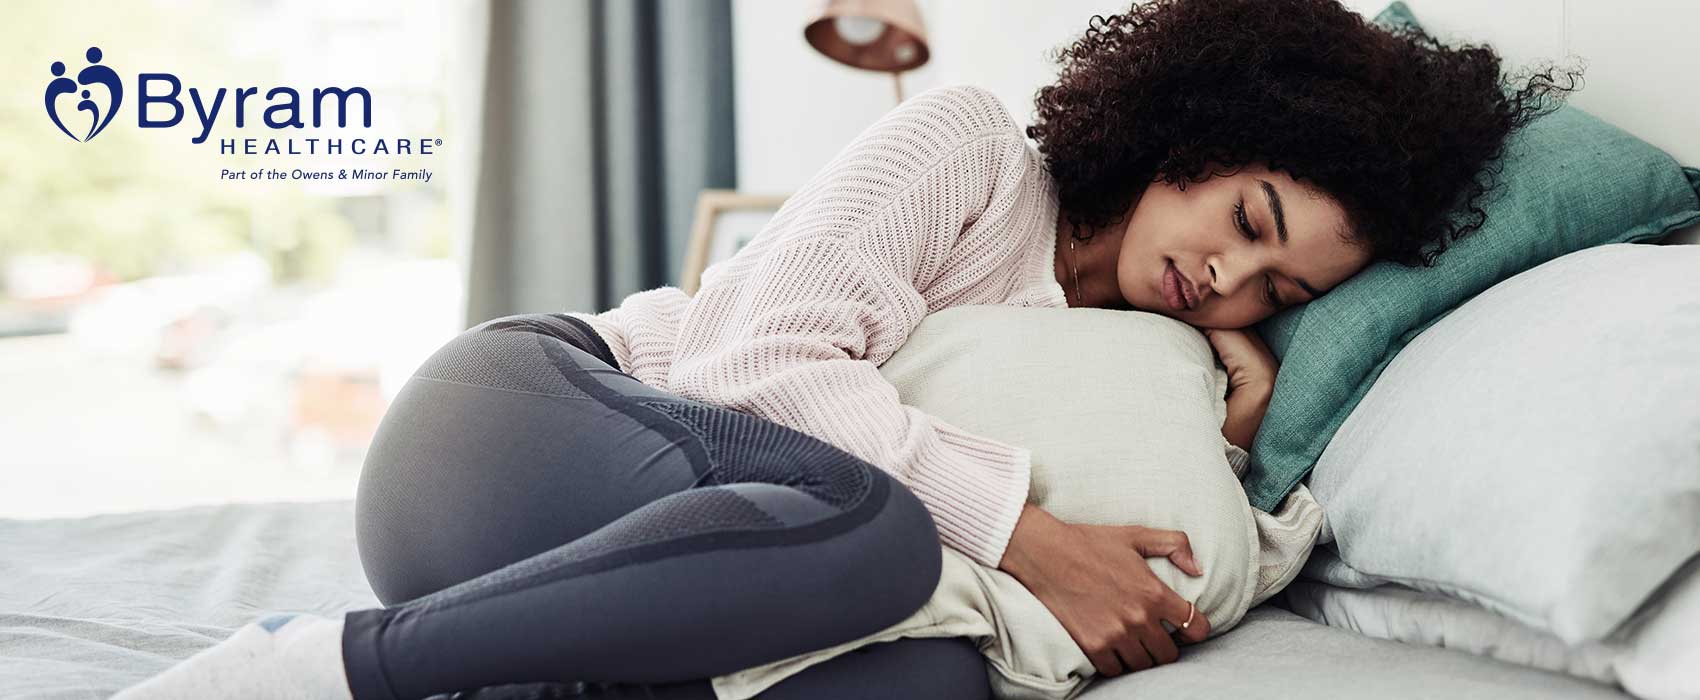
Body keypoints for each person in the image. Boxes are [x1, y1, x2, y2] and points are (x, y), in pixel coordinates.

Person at [113, 0, 1574, 698]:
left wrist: (1236, 416)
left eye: (1275, 286)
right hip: (521, 427)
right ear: (1189, 136)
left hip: (623, 575)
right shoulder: (969, 152)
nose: (1228, 276)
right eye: (1247, 216)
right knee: (865, 526)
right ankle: (321, 669)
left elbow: (1180, 546)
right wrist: (1026, 533)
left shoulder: (1155, 360)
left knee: (926, 692)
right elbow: (755, 365)